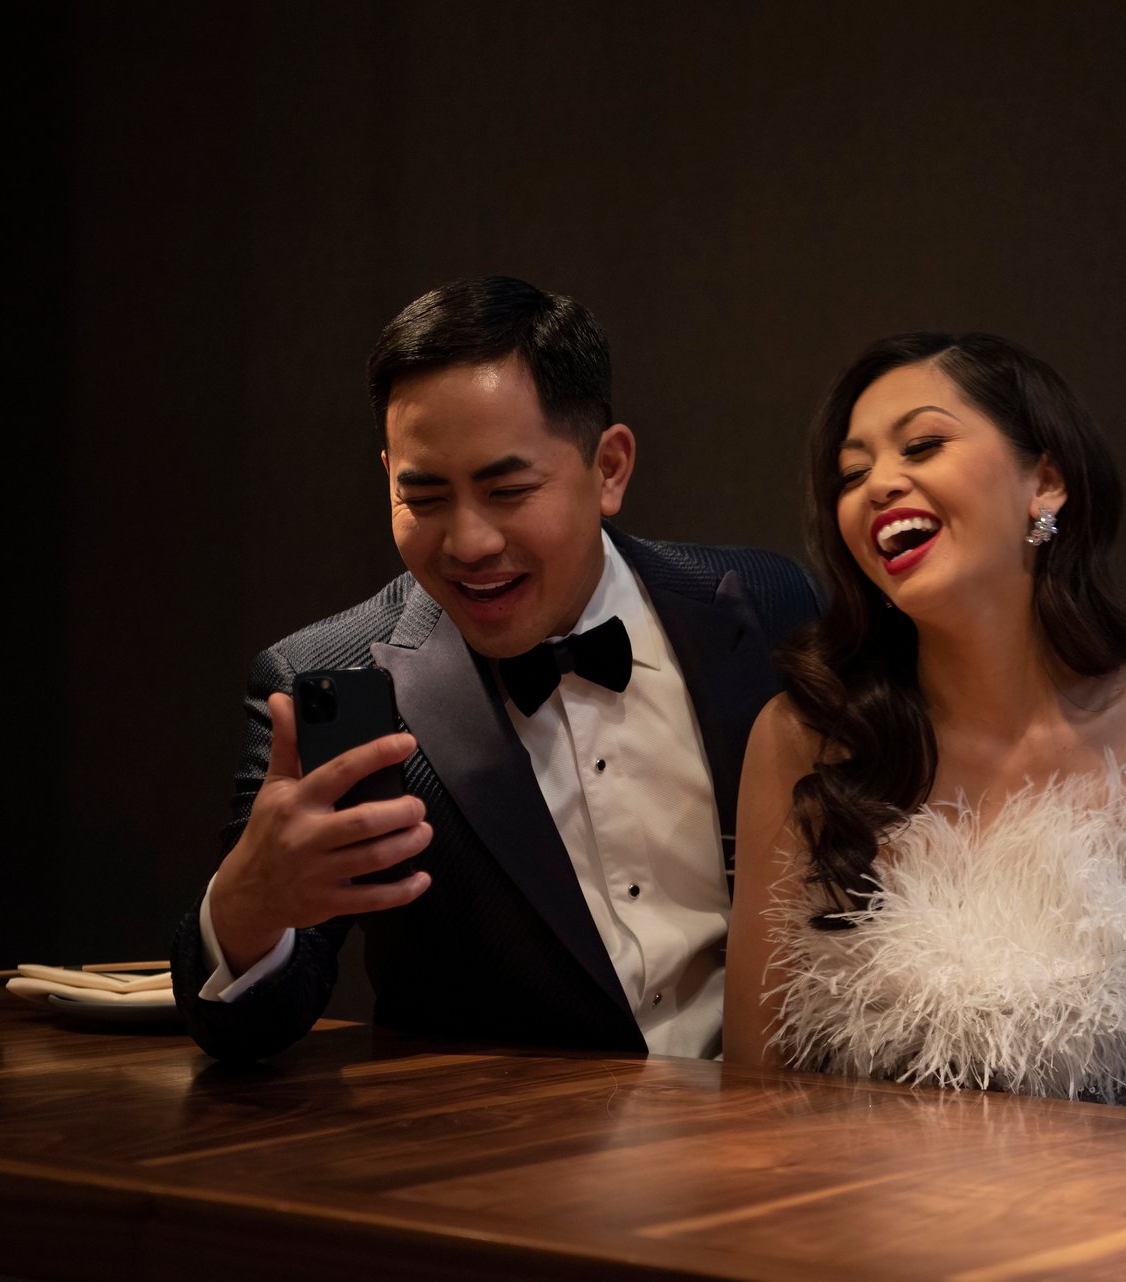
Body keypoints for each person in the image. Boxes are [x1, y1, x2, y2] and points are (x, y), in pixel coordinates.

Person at [171, 276, 820, 1062]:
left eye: (508, 489)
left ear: (609, 468)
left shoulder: (767, 604)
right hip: (503, 1165)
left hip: (777, 1152)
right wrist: (246, 909)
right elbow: (246, 1032)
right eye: (425, 496)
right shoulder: (327, 675)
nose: (468, 542)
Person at [723, 333, 1126, 1121]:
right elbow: (759, 1072)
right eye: (853, 474)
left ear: (1048, 482)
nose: (880, 486)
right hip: (876, 1223)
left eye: (922, 445)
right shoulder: (805, 737)